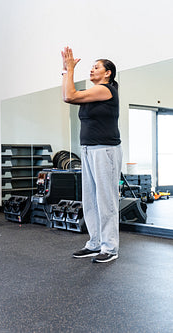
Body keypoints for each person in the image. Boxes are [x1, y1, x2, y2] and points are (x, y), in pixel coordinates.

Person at [61, 46, 122, 263]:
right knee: (90, 200)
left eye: (97, 67)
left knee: (106, 200)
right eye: (92, 67)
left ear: (108, 73)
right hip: (87, 149)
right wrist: (65, 71)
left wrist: (69, 70)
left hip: (105, 150)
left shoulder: (106, 90)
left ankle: (110, 247)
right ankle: (95, 243)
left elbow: (69, 95)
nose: (92, 70)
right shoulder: (92, 93)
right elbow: (66, 95)